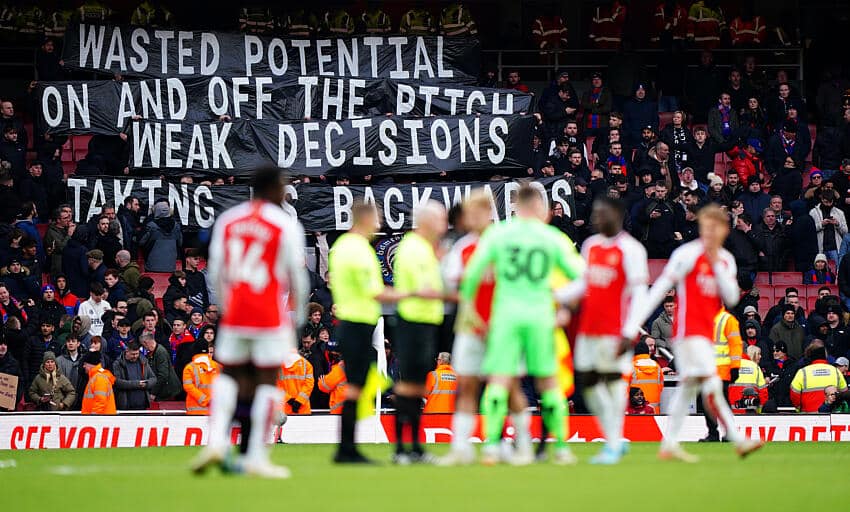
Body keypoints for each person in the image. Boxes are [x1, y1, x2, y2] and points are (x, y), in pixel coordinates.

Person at [624, 204, 763, 462]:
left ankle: (669, 445)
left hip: (706, 335)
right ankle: (737, 439)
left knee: (691, 386)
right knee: (710, 383)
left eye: (718, 228)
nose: (713, 232)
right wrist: (635, 322)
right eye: (708, 226)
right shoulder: (686, 254)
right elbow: (661, 287)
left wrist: (720, 271)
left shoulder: (725, 260)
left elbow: (732, 297)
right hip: (688, 332)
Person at [193, 166, 307, 479]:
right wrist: (295, 320)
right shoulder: (283, 223)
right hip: (269, 313)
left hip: (236, 311)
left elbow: (215, 270)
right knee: (267, 382)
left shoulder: (229, 220)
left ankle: (215, 441)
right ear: (272, 189)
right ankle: (256, 455)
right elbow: (297, 275)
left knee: (230, 376)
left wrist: (227, 308)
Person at [462, 185, 585, 465]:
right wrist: (558, 297)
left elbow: (472, 276)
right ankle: (562, 449)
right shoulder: (552, 238)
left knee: (499, 380)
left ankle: (492, 447)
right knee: (548, 383)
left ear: (516, 207)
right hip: (541, 315)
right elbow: (582, 278)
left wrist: (474, 314)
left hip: (505, 315)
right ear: (540, 208)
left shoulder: (498, 235)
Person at [439, 193, 531, 465]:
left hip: (503, 327)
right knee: (466, 384)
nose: (474, 218)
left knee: (509, 385)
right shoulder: (462, 248)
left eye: (479, 212)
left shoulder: (505, 244)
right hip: (470, 326)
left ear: (489, 213)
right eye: (470, 214)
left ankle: (521, 445)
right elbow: (451, 286)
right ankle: (461, 448)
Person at [557, 197, 647, 464]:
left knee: (613, 381)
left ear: (617, 216)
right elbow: (584, 284)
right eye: (595, 213)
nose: (596, 217)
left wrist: (630, 330)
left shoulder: (631, 250)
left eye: (602, 213)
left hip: (615, 329)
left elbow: (640, 293)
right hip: (588, 328)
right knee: (587, 383)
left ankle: (613, 442)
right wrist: (554, 295)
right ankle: (615, 440)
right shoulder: (591, 245)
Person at [327, 201, 409, 463]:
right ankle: (347, 449)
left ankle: (348, 447)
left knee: (362, 384)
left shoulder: (341, 247)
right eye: (377, 219)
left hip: (353, 323)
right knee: (357, 387)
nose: (379, 224)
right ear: (365, 220)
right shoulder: (359, 250)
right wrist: (413, 294)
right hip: (358, 323)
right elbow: (375, 291)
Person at [392, 200, 447, 464]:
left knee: (415, 387)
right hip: (413, 322)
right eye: (440, 219)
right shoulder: (413, 248)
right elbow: (422, 289)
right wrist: (456, 294)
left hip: (423, 323)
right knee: (409, 387)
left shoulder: (423, 247)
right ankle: (403, 449)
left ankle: (412, 447)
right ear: (426, 221)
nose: (444, 225)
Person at [701, 308, 743, 441]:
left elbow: (735, 345)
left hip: (721, 369)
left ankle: (724, 433)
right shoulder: (705, 317)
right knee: (708, 403)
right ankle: (715, 433)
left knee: (720, 402)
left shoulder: (727, 319)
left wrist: (735, 367)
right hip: (708, 369)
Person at [790, 341, 848, 412]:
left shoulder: (803, 372)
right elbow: (845, 393)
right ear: (825, 356)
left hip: (808, 416)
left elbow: (794, 395)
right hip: (831, 417)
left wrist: (799, 408)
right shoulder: (835, 371)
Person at [138, 202, 182, 273]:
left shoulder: (151, 226)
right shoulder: (176, 226)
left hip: (152, 266)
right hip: (170, 267)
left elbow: (141, 241)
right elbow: (180, 243)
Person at [112, 341, 156, 410]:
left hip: (142, 404)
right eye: (133, 354)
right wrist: (137, 384)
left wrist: (147, 384)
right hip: (125, 405)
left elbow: (153, 378)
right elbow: (117, 382)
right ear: (127, 351)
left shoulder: (143, 362)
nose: (135, 356)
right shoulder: (118, 364)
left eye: (137, 354)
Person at [810, 189, 847, 267]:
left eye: (830, 202)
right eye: (826, 202)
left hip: (835, 248)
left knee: (838, 270)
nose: (828, 204)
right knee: (820, 271)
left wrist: (837, 224)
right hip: (820, 248)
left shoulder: (839, 212)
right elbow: (810, 230)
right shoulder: (813, 212)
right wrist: (821, 224)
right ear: (822, 199)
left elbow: (845, 232)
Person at [138, 333, 180, 401]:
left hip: (168, 391)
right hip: (163, 389)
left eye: (143, 345)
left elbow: (163, 375)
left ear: (146, 343)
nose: (144, 348)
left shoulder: (160, 353)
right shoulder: (153, 352)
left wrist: (153, 393)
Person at [729, 345, 768, 414]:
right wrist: (759, 412)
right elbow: (763, 392)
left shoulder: (729, 365)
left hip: (730, 412)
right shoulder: (755, 366)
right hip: (751, 412)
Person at [183, 344, 221, 415]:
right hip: (214, 410)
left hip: (195, 411)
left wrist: (204, 399)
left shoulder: (189, 367)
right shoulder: (218, 366)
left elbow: (188, 387)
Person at [629, 340, 663, 413]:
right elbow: (661, 387)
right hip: (654, 410)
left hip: (636, 411)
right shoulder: (657, 366)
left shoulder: (631, 367)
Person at [276, 351, 313, 417]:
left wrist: (288, 399)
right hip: (303, 408)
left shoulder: (278, 365)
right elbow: (309, 385)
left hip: (284, 408)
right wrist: (299, 401)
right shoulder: (306, 364)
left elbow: (277, 385)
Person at [80, 350, 116, 415]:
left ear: (91, 365)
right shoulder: (97, 377)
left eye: (85, 364)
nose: (83, 366)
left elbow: (100, 402)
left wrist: (93, 418)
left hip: (99, 421)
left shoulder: (99, 378)